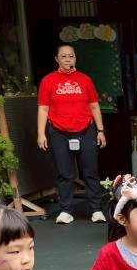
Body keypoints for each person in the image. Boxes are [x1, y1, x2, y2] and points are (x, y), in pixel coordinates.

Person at [37, 42, 107, 225]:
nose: (68, 59)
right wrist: (41, 133)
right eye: (64, 56)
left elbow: (94, 106)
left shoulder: (85, 80)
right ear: (57, 59)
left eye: (71, 56)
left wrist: (100, 130)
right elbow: (43, 108)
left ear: (75, 58)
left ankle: (96, 209)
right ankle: (66, 211)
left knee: (90, 171)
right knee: (64, 173)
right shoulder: (48, 81)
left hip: (86, 129)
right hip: (58, 131)